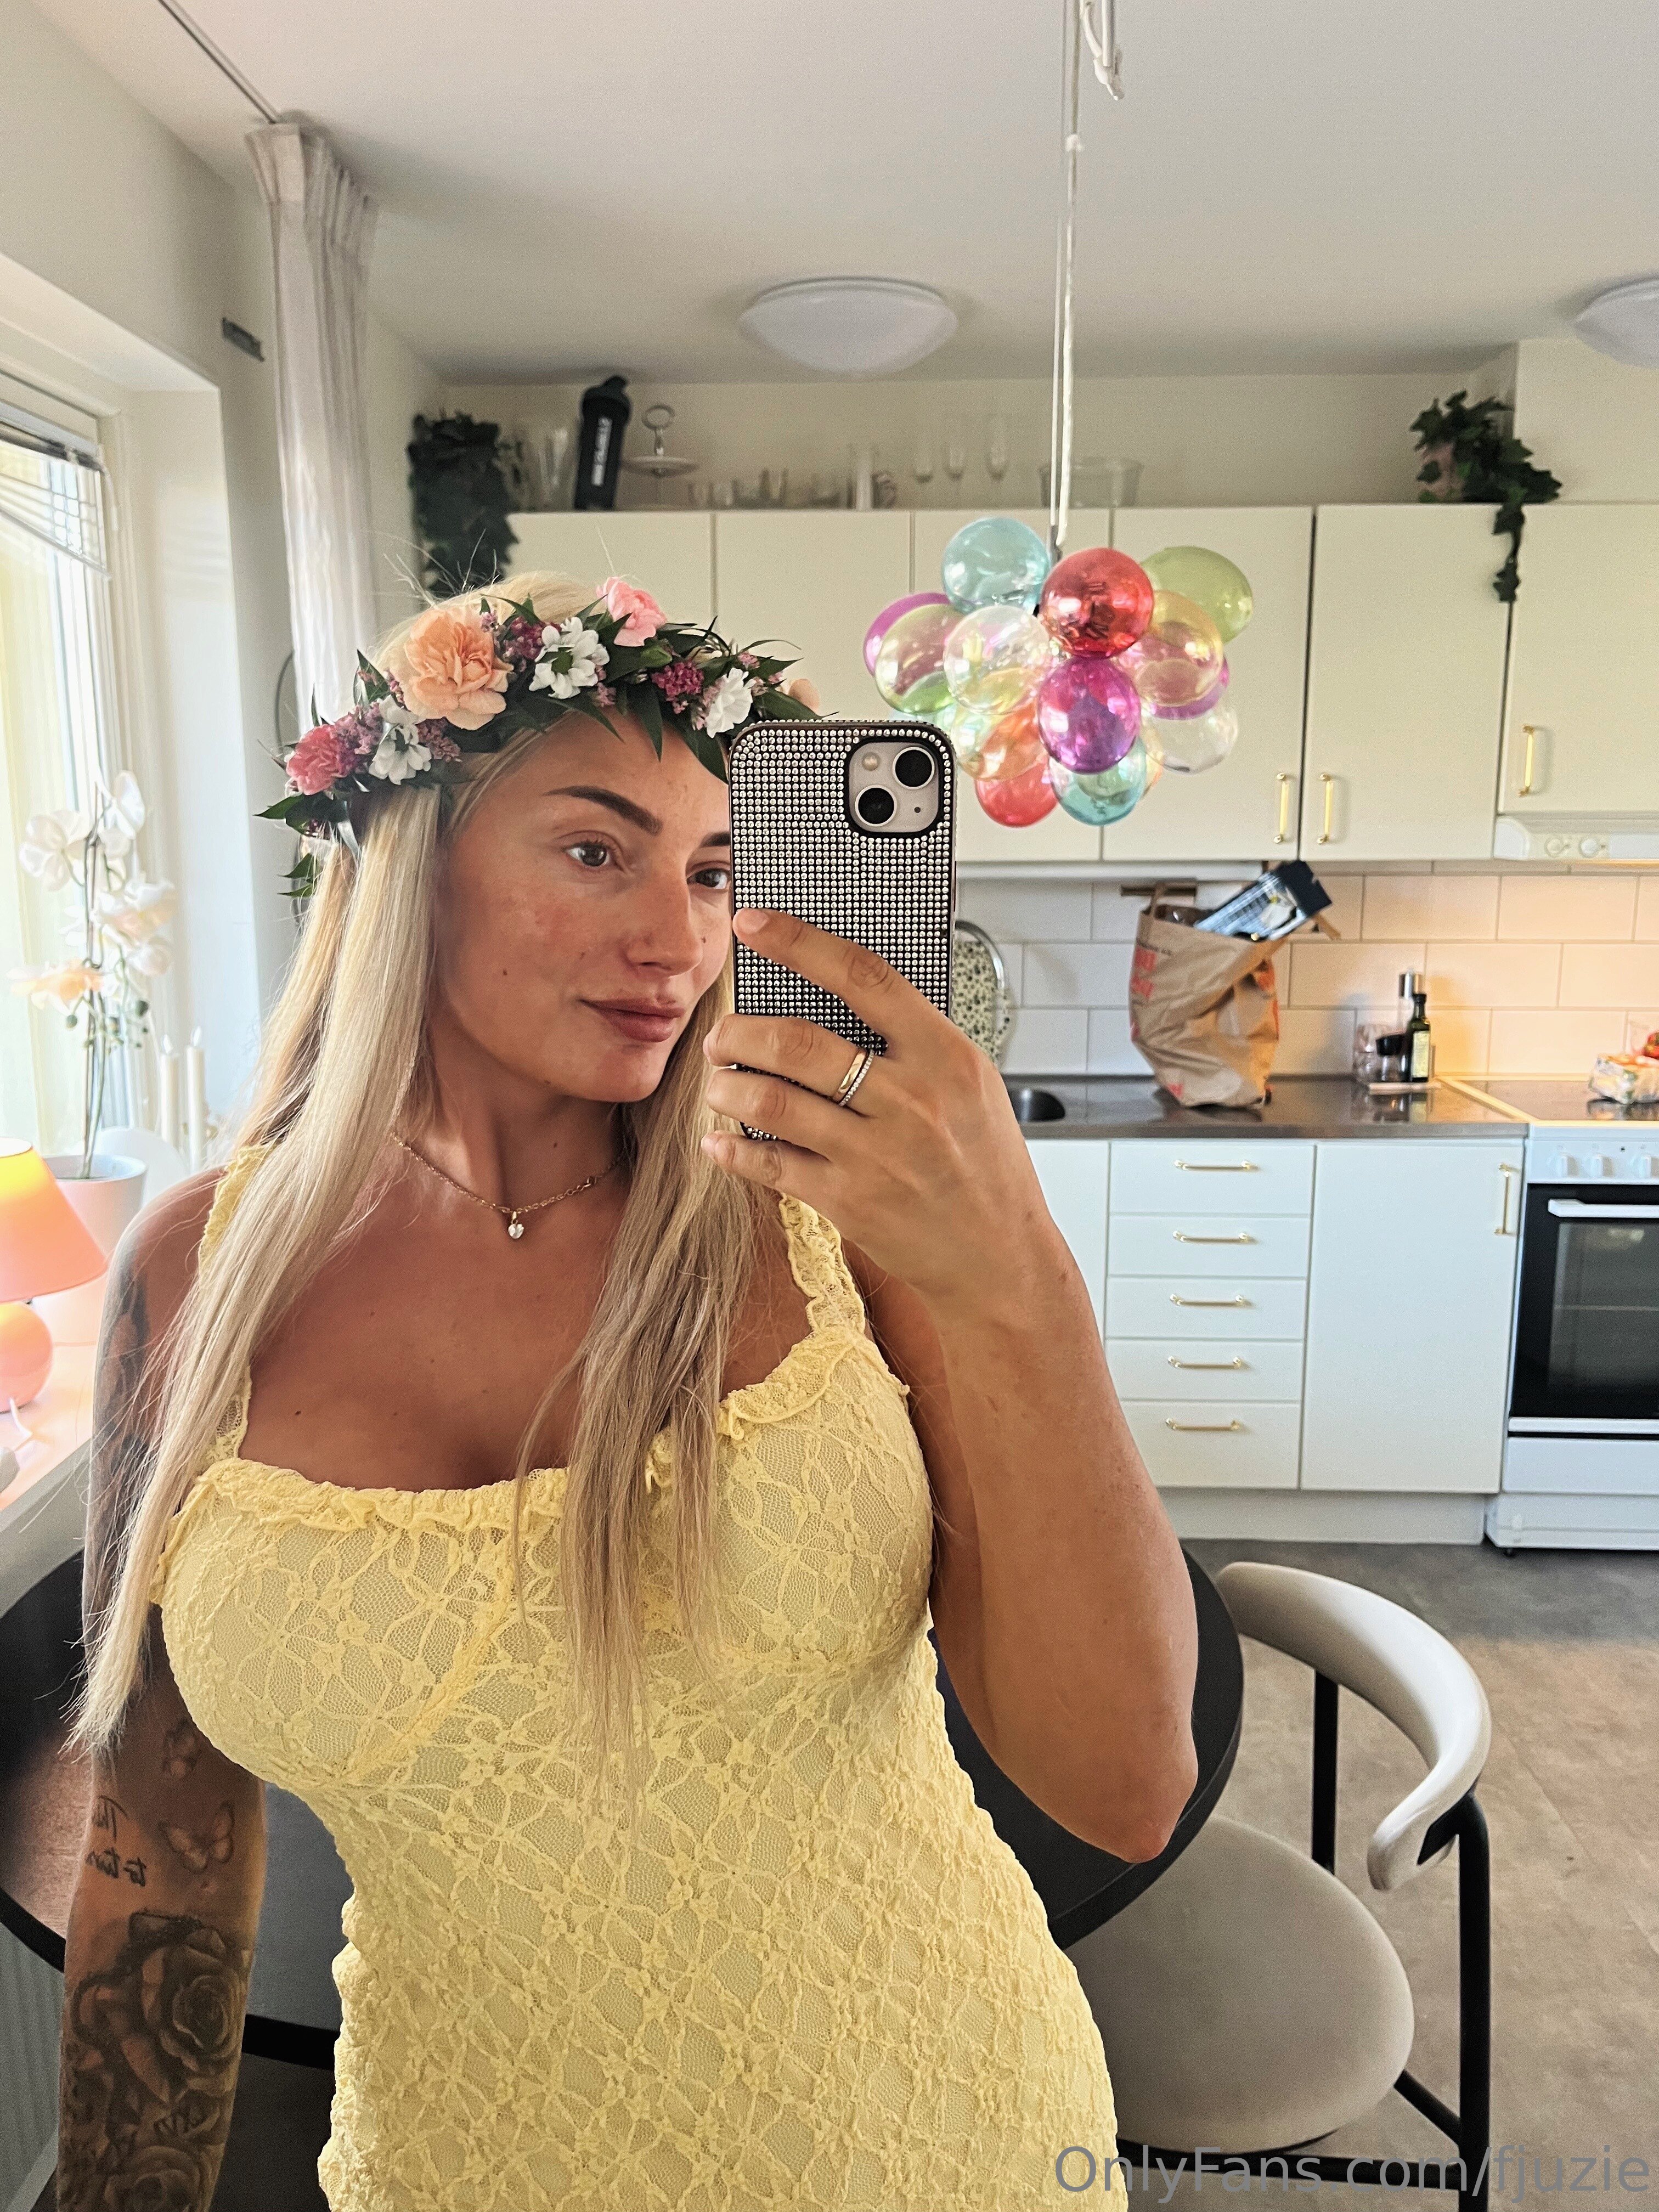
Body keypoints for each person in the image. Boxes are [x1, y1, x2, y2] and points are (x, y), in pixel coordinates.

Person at [58, 570, 1198, 2210]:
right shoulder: (195, 1276)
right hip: (460, 2166)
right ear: (406, 862)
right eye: (597, 853)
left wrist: (1014, 1266)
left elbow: (1125, 1785)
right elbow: (159, 1864)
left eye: (717, 871)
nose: (680, 942)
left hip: (932, 2136)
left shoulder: (824, 1215)